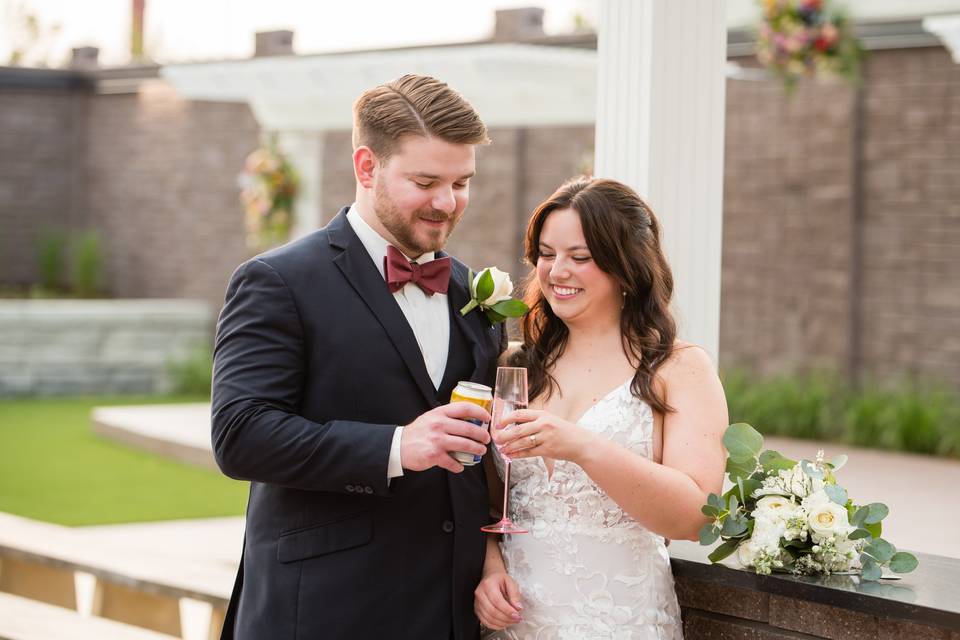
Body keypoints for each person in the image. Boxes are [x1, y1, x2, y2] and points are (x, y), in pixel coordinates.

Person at [211, 74, 507, 640]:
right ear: (367, 167)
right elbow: (240, 434)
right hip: (324, 610)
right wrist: (398, 446)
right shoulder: (278, 281)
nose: (447, 203)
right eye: (426, 181)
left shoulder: (474, 292)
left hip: (449, 613)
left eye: (462, 182)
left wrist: (491, 554)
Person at [473, 177, 728, 638]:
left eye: (580, 257)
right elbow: (491, 502)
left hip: (621, 621)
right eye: (547, 255)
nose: (556, 271)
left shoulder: (678, 368)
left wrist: (584, 448)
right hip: (515, 624)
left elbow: (697, 517)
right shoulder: (516, 366)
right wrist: (490, 568)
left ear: (625, 264)